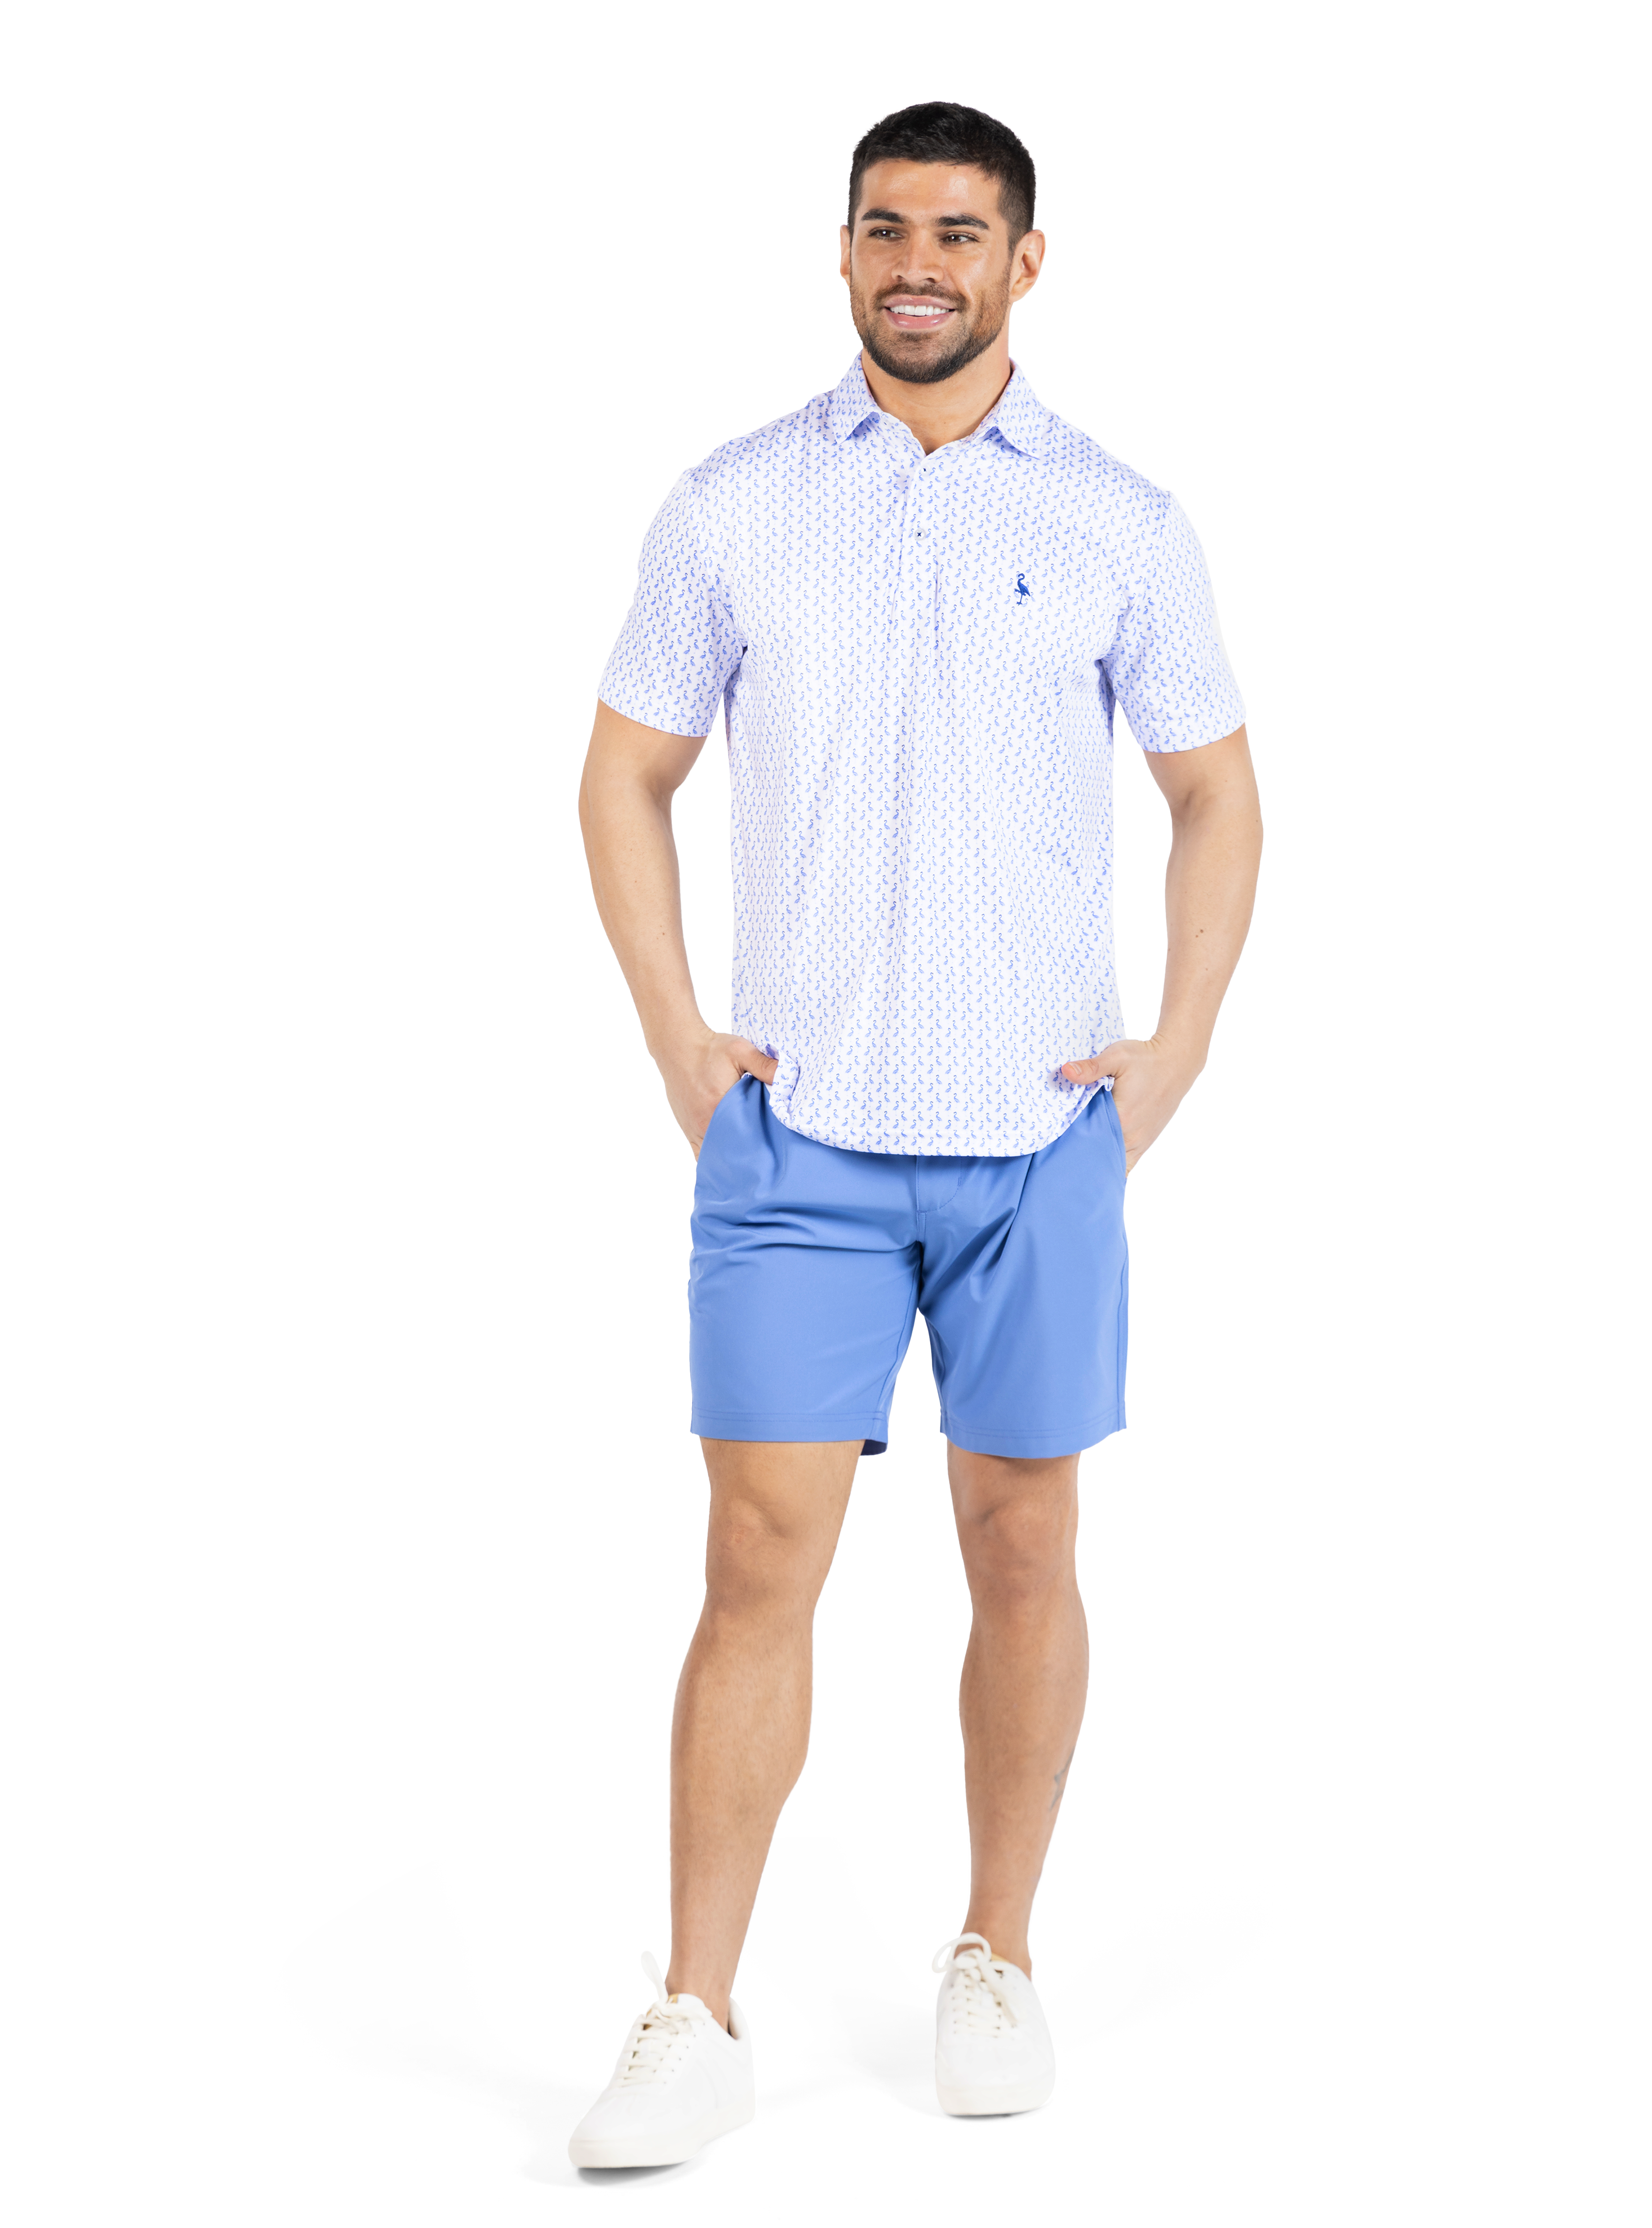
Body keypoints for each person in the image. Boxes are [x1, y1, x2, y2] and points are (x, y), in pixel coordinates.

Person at [568, 99, 1262, 2169]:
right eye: (886, 228)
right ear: (845, 250)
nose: (919, 265)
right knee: (754, 1554)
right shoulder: (735, 506)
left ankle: (996, 1954)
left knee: (1025, 1541)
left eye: (960, 232)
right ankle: (695, 2011)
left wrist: (1175, 1051)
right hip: (798, 1141)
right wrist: (683, 1046)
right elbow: (622, 777)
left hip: (1037, 1139)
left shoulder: (1123, 520)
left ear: (1023, 262)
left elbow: (1217, 794)